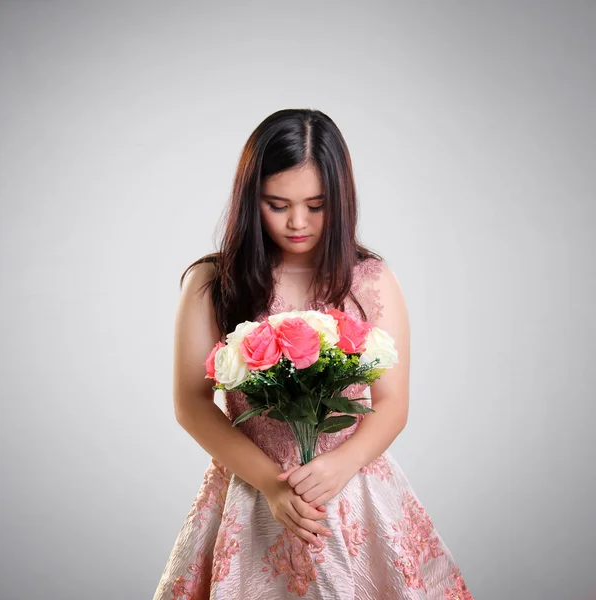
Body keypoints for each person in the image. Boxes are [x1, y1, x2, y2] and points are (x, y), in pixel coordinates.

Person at [152, 109, 474, 599]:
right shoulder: (213, 282)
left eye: (316, 205)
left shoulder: (370, 280)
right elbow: (191, 404)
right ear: (250, 199)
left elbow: (392, 403)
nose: (297, 222)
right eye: (277, 204)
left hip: (351, 486)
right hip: (253, 488)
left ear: (340, 201)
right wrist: (272, 485)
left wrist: (341, 466)